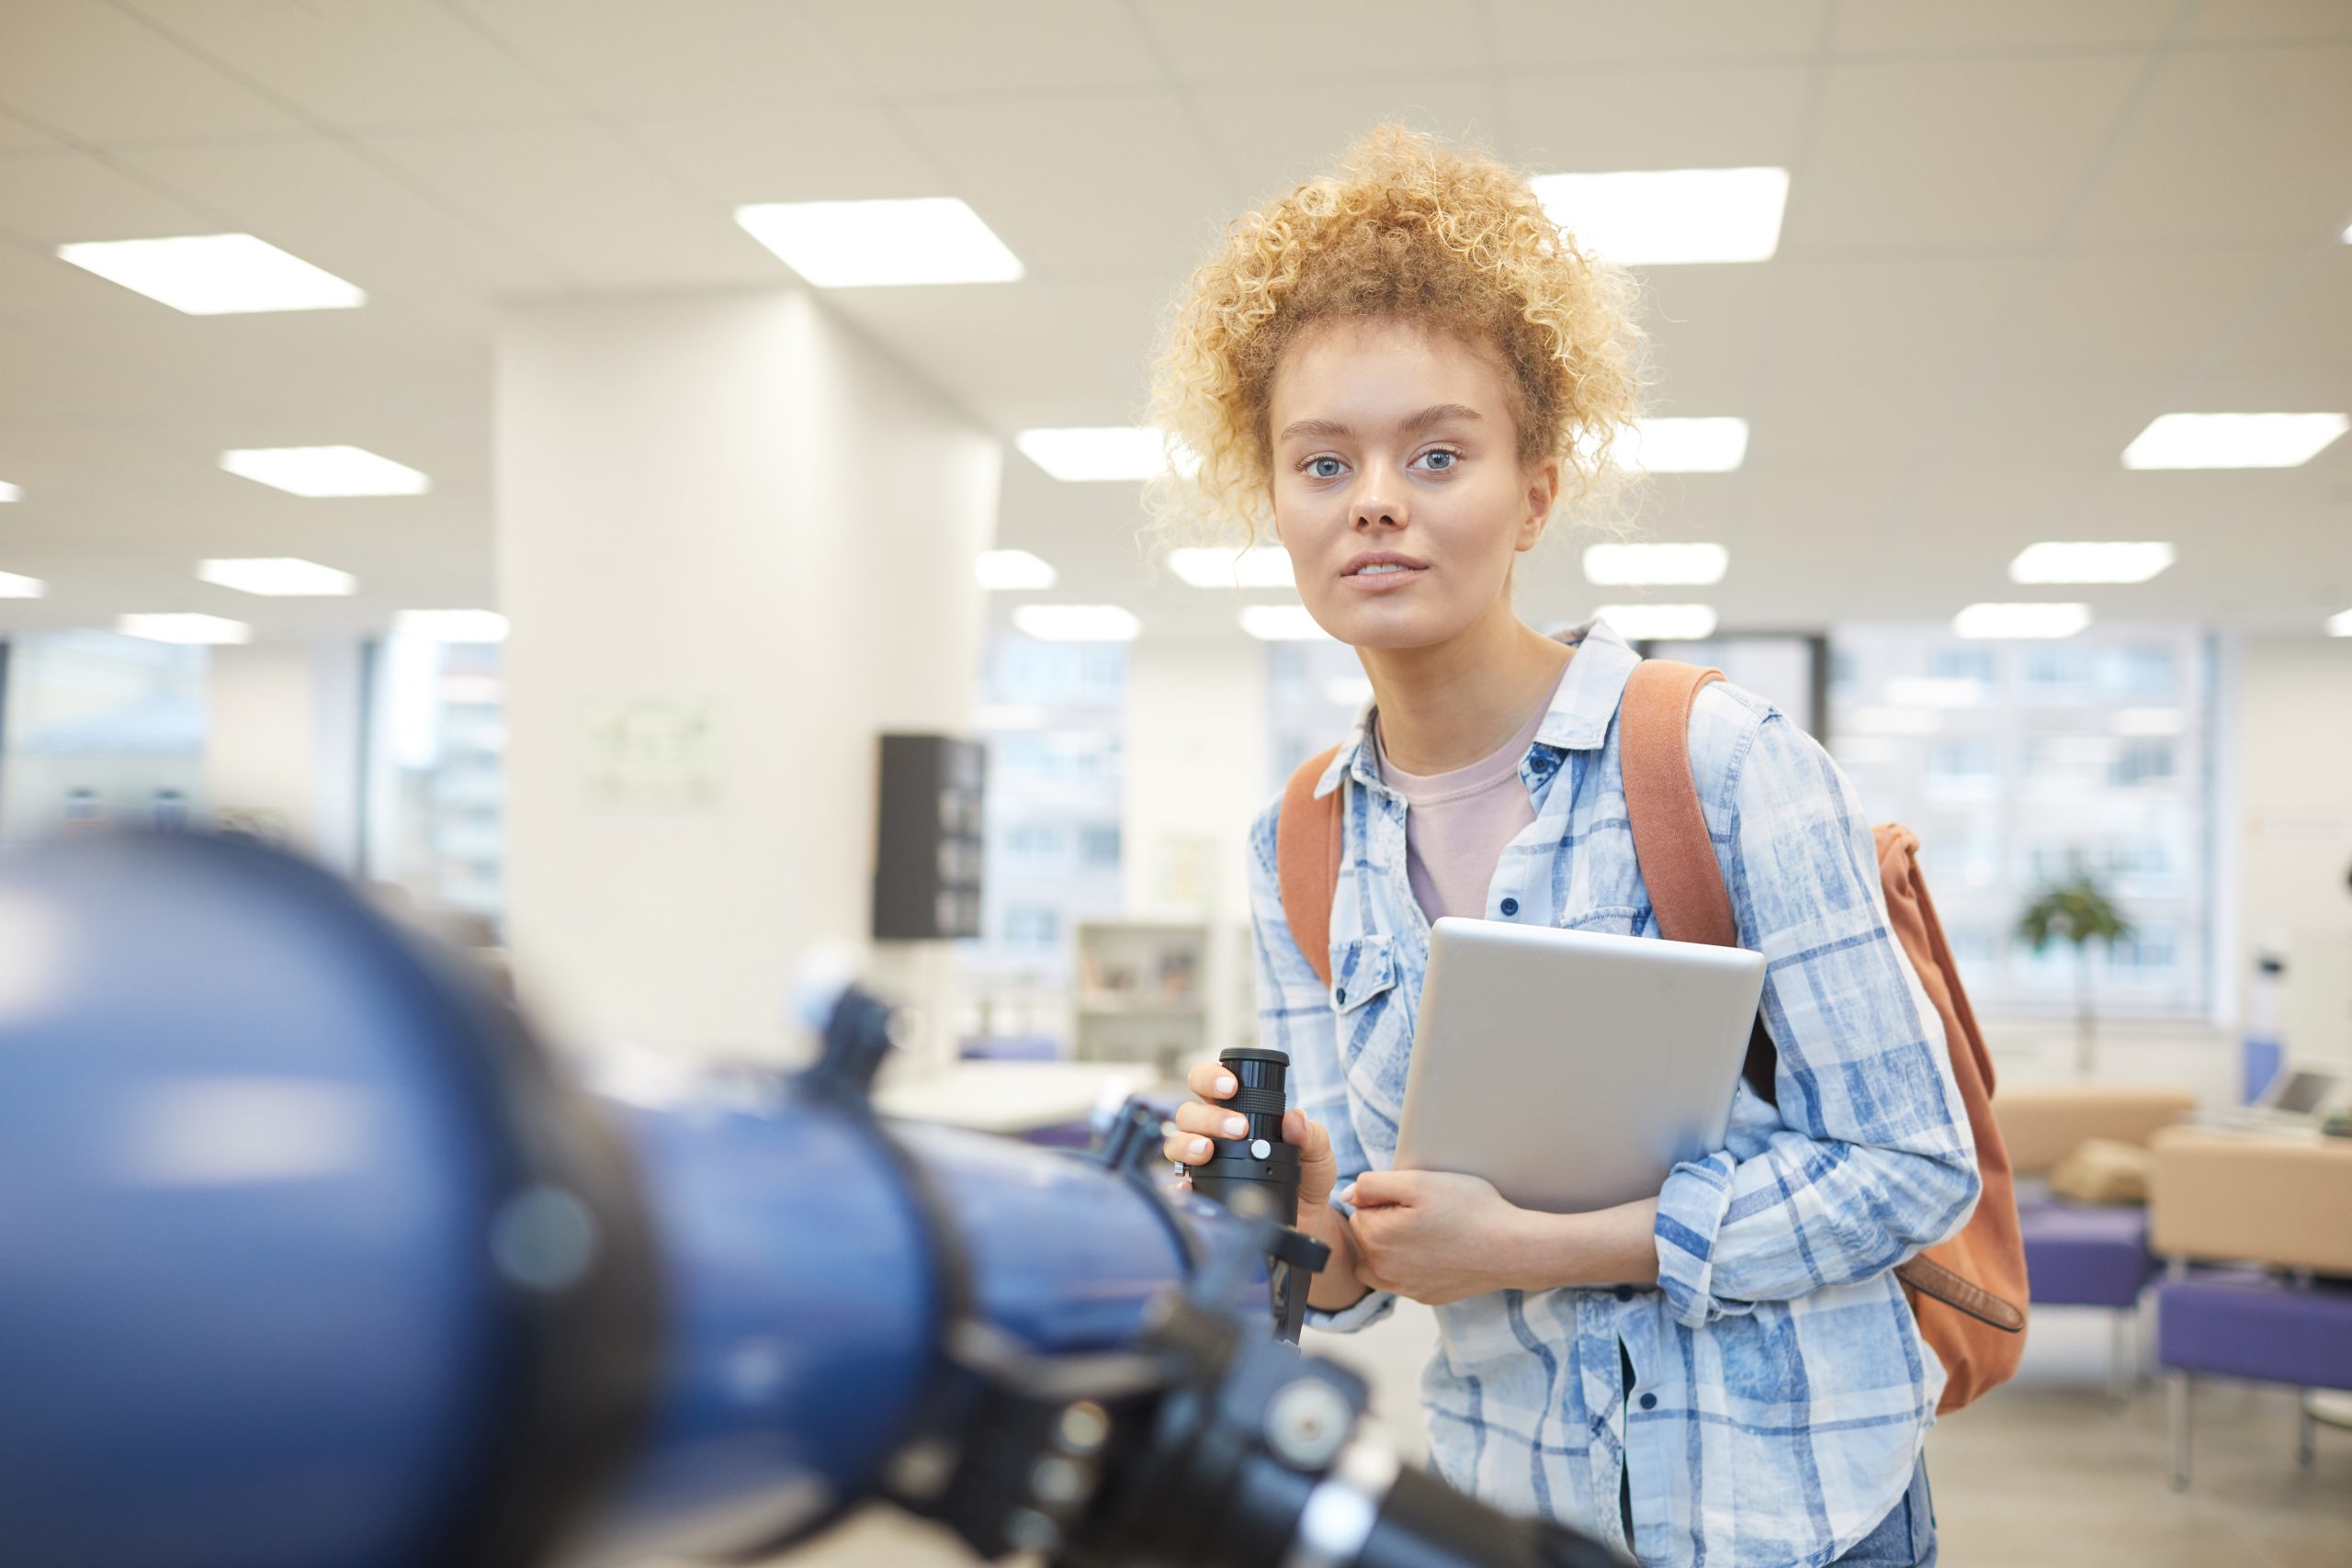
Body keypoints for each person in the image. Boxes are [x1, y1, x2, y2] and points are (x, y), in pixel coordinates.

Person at [1145, 126, 1978, 1568]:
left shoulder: (1721, 763)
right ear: (1274, 503)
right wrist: (1289, 1207)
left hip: (1797, 1515)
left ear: (1533, 493)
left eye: (1439, 452)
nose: (1376, 500)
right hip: (1521, 1510)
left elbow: (1913, 1167)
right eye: (1323, 461)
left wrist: (1548, 1247)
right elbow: (1364, 1261)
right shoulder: (1301, 841)